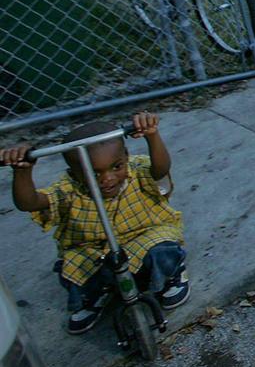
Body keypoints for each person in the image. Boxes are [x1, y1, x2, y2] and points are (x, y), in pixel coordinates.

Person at [1, 113, 188, 335]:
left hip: (144, 236)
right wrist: (22, 172)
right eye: (93, 173)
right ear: (74, 174)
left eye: (116, 166)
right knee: (71, 268)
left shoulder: (136, 170)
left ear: (126, 157)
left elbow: (160, 169)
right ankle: (96, 294)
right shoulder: (68, 189)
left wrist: (152, 136)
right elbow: (29, 203)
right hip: (98, 251)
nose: (107, 178)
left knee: (164, 250)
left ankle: (173, 275)